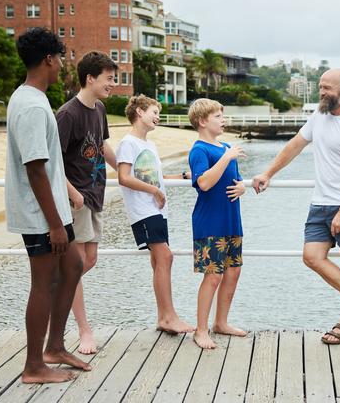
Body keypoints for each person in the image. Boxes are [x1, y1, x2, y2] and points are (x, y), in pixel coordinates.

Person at [253, 68, 340, 345]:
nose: (322, 92)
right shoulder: (318, 116)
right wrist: (268, 173)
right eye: (320, 87)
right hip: (320, 202)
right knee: (311, 256)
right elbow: (295, 145)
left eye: (328, 88)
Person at [6, 27, 90, 383]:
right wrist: (55, 224)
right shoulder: (29, 105)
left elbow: (47, 167)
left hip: (51, 208)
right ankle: (33, 366)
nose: (61, 67)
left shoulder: (36, 99)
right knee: (42, 283)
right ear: (48, 59)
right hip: (40, 214)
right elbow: (35, 167)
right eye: (60, 59)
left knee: (73, 264)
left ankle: (54, 346)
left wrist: (66, 197)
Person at [116, 94, 194, 334]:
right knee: (166, 257)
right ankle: (169, 317)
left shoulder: (150, 145)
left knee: (159, 260)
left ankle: (163, 317)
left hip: (157, 210)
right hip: (143, 209)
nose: (158, 117)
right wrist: (154, 191)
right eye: (154, 112)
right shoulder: (128, 143)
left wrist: (181, 177)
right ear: (139, 112)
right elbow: (124, 177)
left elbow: (154, 177)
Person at [56, 51, 117, 354]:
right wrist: (72, 192)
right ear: (90, 78)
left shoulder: (100, 109)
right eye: (108, 78)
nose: (112, 84)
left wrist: (126, 170)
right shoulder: (68, 114)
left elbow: (103, 145)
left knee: (89, 260)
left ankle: (59, 286)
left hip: (95, 195)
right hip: (76, 199)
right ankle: (84, 330)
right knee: (78, 262)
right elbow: (51, 161)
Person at [188, 98, 247, 349]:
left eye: (223, 115)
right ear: (202, 121)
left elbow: (237, 178)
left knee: (233, 273)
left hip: (232, 221)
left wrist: (243, 186)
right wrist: (226, 156)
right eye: (217, 117)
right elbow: (203, 183)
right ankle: (200, 330)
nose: (223, 120)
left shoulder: (225, 146)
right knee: (213, 276)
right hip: (209, 222)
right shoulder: (200, 150)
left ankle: (221, 322)